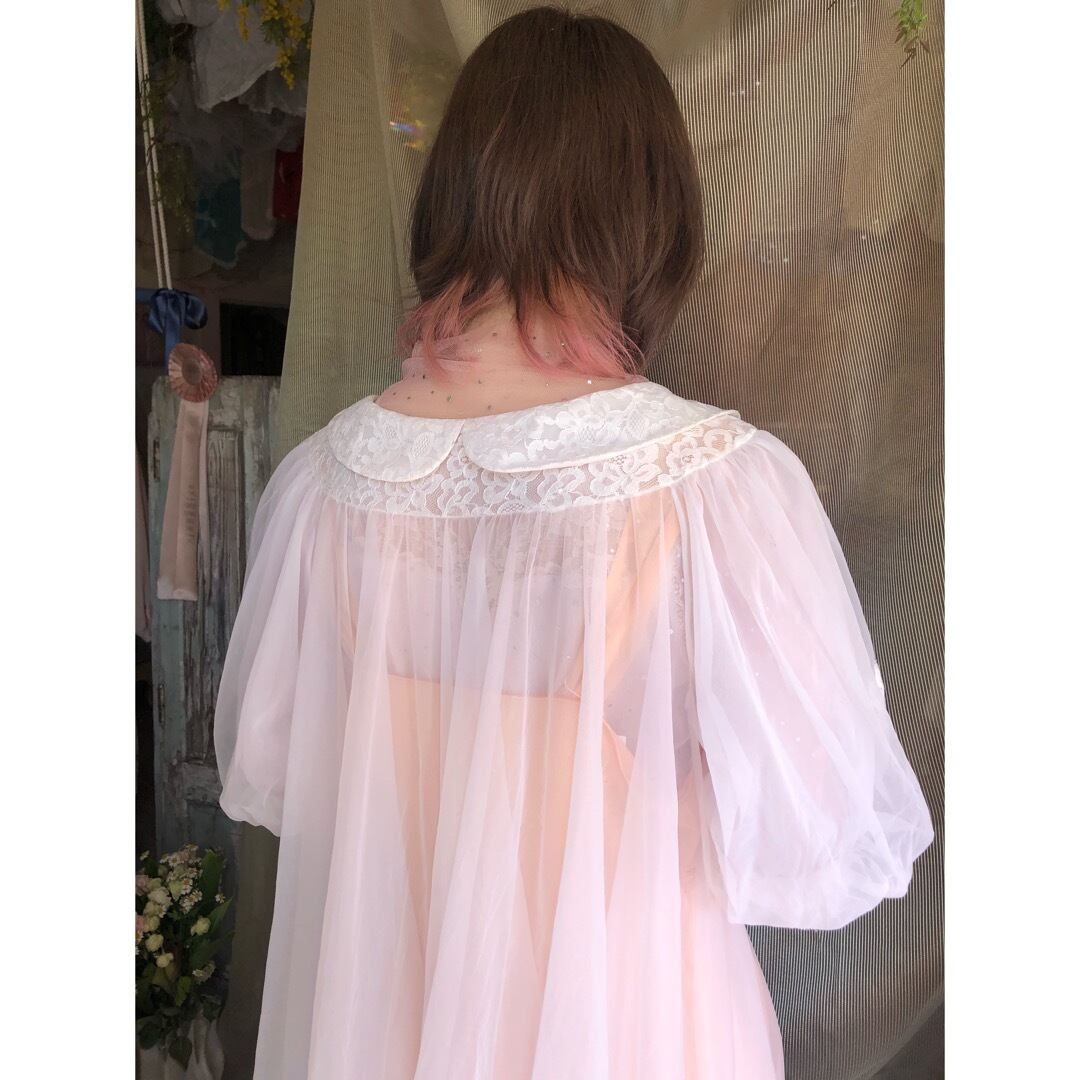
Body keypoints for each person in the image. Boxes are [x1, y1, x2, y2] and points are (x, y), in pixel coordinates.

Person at [214, 7, 934, 1078]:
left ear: (453, 194)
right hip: (625, 1017)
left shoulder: (326, 485)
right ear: (651, 214)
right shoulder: (707, 488)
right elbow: (821, 838)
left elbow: (282, 770)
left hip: (380, 1012)